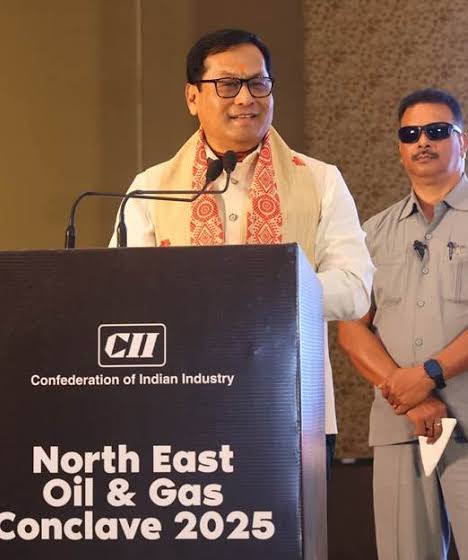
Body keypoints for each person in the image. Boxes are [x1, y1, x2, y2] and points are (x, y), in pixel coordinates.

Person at [110, 28, 374, 470]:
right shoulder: (151, 188)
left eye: (258, 83)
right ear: (192, 97)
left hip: (291, 411)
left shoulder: (320, 180)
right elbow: (122, 296)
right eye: (228, 85)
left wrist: (264, 290)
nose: (247, 98)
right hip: (179, 411)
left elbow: (355, 289)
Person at [338, 88, 468, 559]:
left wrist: (429, 375)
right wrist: (408, 394)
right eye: (411, 134)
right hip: (402, 425)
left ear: (463, 141)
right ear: (399, 147)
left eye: (437, 130)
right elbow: (351, 328)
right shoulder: (372, 233)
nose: (423, 142)